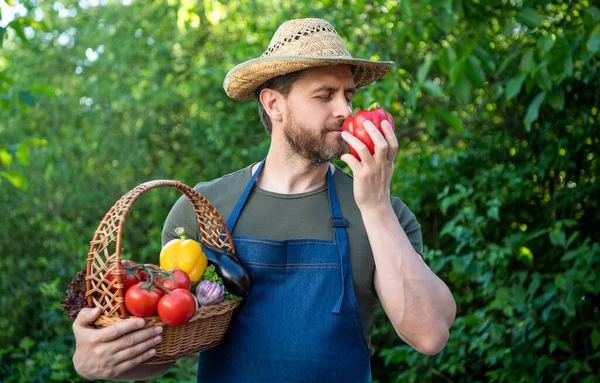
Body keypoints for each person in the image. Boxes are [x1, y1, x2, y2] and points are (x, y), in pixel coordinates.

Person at [72, 18, 456, 382]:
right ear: (274, 104)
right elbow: (166, 349)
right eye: (325, 96)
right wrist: (97, 363)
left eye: (348, 94)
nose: (345, 110)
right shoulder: (203, 208)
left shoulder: (382, 212)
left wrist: (376, 206)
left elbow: (429, 335)